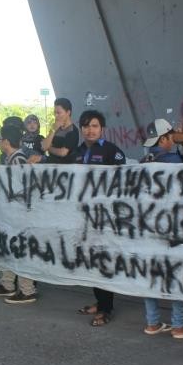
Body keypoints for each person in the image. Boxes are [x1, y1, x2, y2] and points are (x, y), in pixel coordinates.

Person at [139, 119, 183, 339]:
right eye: (169, 138)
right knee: (177, 272)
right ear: (165, 139)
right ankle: (179, 325)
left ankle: (153, 322)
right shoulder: (174, 160)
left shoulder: (143, 161)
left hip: (147, 227)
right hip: (173, 226)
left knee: (150, 274)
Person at [73, 110, 126, 326]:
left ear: (101, 128)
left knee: (103, 259)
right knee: (90, 260)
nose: (90, 130)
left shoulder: (111, 151)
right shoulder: (77, 152)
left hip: (105, 217)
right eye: (86, 126)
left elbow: (125, 177)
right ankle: (98, 300)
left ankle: (107, 308)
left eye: (94, 126)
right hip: (83, 216)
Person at [0, 124, 38, 305]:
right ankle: (8, 283)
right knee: (10, 249)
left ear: (6, 141)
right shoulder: (12, 158)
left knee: (20, 251)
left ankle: (27, 290)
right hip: (13, 214)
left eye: (1, 139)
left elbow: (21, 188)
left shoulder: (17, 160)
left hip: (19, 215)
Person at [41, 98, 80, 164]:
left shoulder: (72, 130)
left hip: (65, 168)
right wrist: (53, 130)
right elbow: (44, 146)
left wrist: (49, 148)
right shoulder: (55, 128)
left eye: (59, 113)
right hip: (52, 165)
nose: (56, 116)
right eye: (55, 113)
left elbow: (63, 153)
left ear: (68, 112)